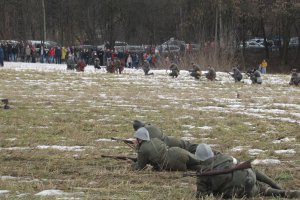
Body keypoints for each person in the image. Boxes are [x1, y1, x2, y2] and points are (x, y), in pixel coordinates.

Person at [194, 144, 299, 199]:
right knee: (252, 173)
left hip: (238, 192)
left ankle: (274, 191)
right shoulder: (225, 157)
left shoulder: (203, 174)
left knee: (255, 189)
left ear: (198, 158)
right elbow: (239, 165)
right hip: (248, 177)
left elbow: (201, 196)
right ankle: (279, 189)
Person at [132, 127, 201, 171]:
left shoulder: (142, 149)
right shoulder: (155, 139)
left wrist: (132, 163)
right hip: (177, 151)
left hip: (170, 164)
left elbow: (139, 167)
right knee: (201, 161)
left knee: (193, 167)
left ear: (140, 139)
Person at [133, 120, 198, 153]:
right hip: (169, 140)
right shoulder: (150, 127)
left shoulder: (146, 131)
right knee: (188, 146)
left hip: (167, 144)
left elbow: (146, 146)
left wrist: (137, 144)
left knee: (187, 148)